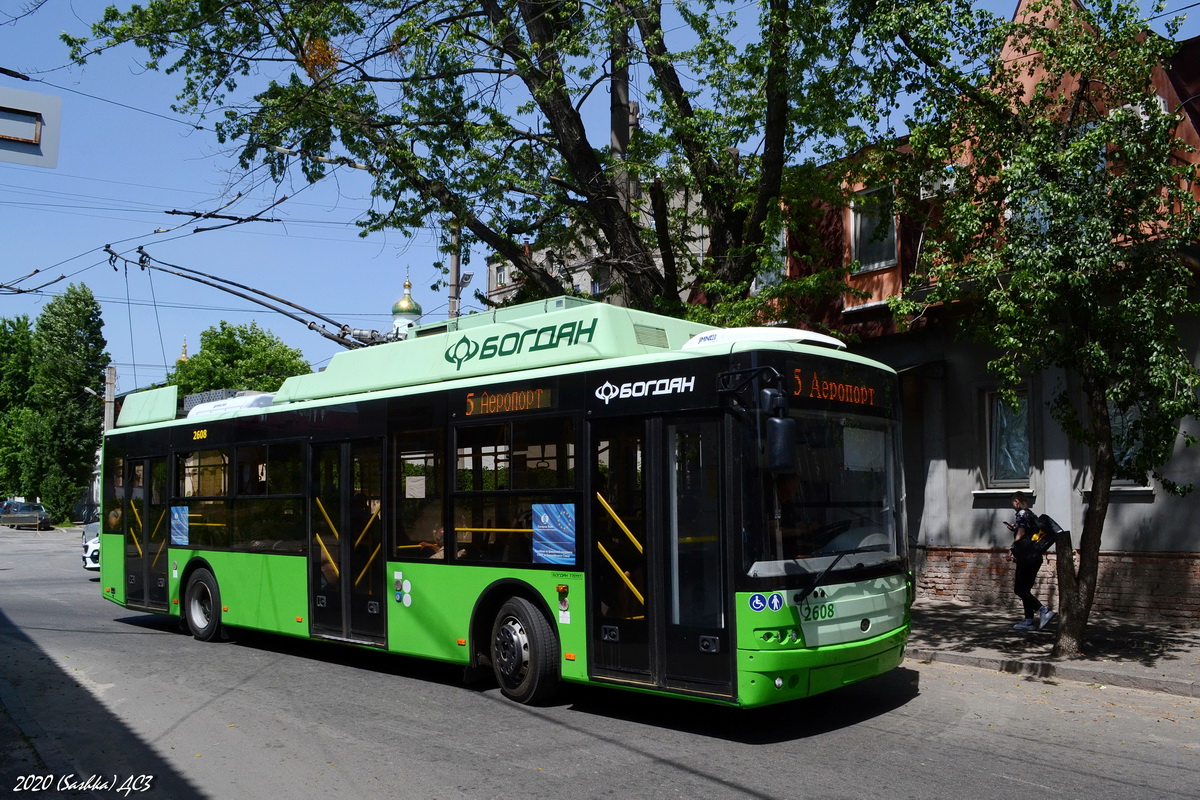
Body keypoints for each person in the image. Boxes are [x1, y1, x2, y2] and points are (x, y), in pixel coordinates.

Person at [1005, 491, 1055, 631]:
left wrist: (1012, 548)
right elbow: (1028, 532)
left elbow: (1021, 533)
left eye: (1013, 504)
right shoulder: (1031, 514)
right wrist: (1015, 528)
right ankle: (1028, 621)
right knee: (1025, 589)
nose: (1013, 507)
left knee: (1019, 589)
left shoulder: (1021, 514)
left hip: (1026, 557)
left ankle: (1044, 611)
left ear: (1017, 501)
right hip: (1035, 556)